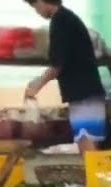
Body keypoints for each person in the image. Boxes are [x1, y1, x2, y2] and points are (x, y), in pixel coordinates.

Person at [22, 0, 106, 153]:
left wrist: (37, 86)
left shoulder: (60, 21)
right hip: (86, 94)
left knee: (88, 149)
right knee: (90, 149)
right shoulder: (66, 18)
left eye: (35, 6)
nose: (37, 11)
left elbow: (57, 64)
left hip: (84, 96)